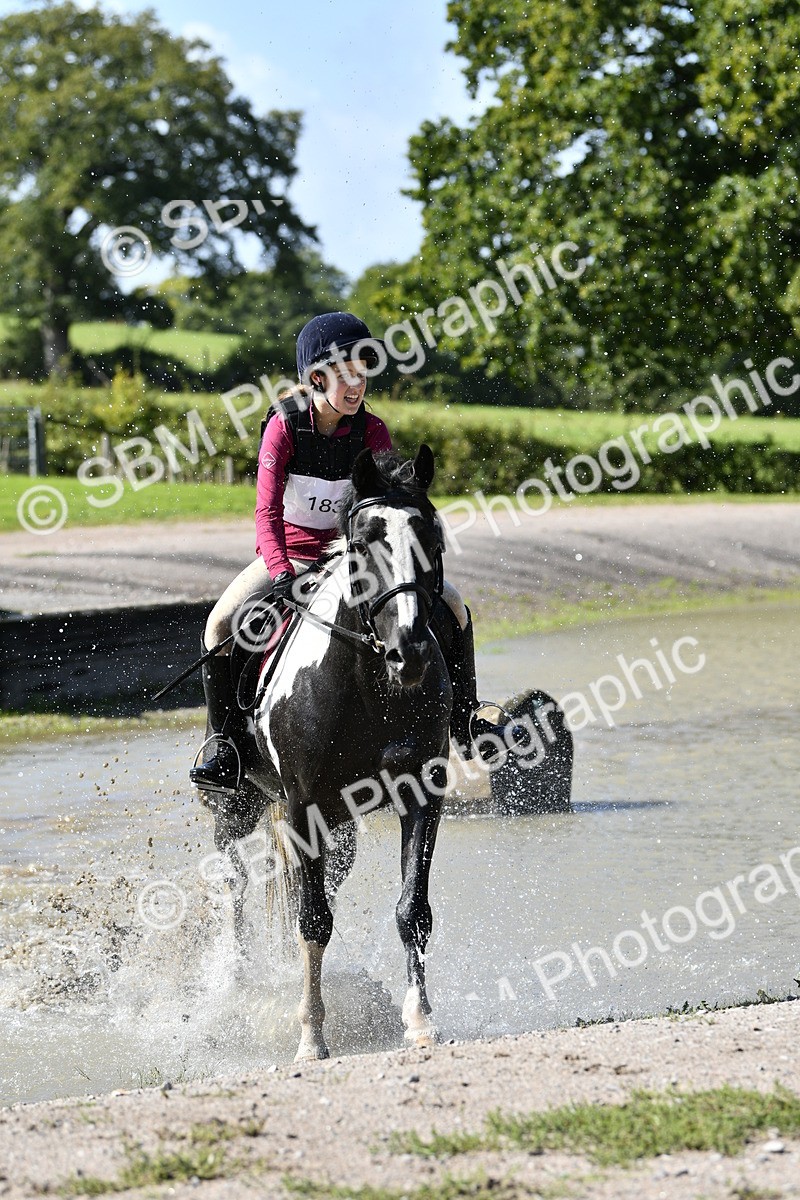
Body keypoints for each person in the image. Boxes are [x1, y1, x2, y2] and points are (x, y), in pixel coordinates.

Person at [190, 312, 520, 794]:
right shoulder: (283, 430)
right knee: (219, 624)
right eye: (345, 373)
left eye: (363, 371)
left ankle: (465, 718)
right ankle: (225, 744)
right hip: (295, 555)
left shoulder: (373, 430)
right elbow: (265, 515)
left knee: (454, 607)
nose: (356, 383)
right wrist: (282, 572)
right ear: (317, 378)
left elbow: (388, 506)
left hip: (358, 558)